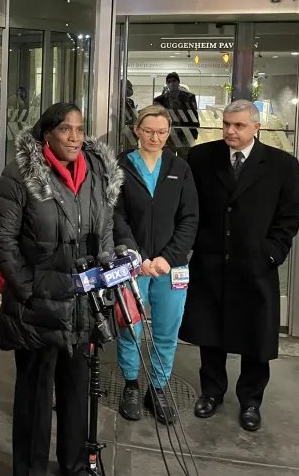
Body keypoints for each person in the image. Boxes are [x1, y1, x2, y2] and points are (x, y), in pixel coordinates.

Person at [0, 102, 123, 476]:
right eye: (66, 129)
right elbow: (2, 240)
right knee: (34, 396)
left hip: (82, 304)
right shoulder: (20, 176)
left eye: (80, 130)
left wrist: (105, 272)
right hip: (38, 307)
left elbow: (106, 227)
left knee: (77, 392)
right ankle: (29, 469)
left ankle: (76, 465)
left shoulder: (96, 173)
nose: (75, 137)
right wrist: (28, 289)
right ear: (47, 133)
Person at [179, 99, 299, 432]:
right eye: (226, 124)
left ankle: (251, 400)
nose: (230, 131)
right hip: (211, 262)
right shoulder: (202, 158)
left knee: (256, 336)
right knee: (211, 333)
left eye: (238, 126)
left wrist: (271, 253)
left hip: (256, 265)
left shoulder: (281, 165)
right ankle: (212, 392)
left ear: (256, 127)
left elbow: (289, 215)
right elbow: (189, 206)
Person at [114, 105, 199, 425]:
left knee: (167, 329)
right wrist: (137, 255)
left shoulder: (180, 167)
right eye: (149, 130)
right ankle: (132, 385)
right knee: (130, 326)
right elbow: (115, 216)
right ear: (136, 129)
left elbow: (189, 218)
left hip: (170, 267)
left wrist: (169, 257)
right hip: (131, 263)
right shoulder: (120, 166)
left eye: (162, 132)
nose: (155, 137)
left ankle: (159, 389)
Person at [154, 72, 200, 159]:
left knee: (184, 160)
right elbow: (156, 118)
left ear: (178, 82)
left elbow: (194, 115)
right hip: (167, 136)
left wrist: (194, 133)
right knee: (166, 160)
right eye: (169, 81)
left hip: (185, 135)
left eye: (174, 80)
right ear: (167, 84)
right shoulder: (160, 100)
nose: (171, 83)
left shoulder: (189, 97)